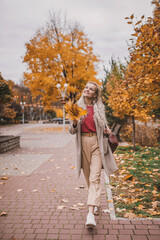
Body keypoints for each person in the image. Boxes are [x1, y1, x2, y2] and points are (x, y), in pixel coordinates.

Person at [69, 81, 118, 228]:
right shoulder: (76, 108)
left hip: (97, 144)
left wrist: (107, 131)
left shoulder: (99, 108)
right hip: (83, 143)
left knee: (95, 177)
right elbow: (71, 131)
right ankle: (94, 202)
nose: (87, 90)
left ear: (95, 94)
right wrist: (75, 122)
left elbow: (103, 126)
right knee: (89, 178)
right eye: (86, 88)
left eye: (91, 89)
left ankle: (90, 214)